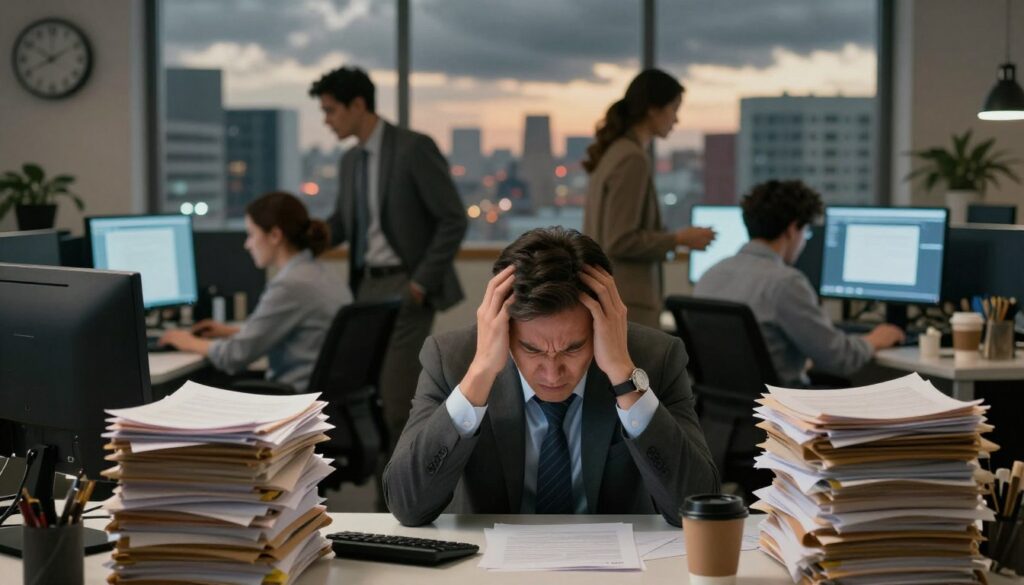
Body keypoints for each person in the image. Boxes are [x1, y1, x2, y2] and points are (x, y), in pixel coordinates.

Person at [383, 227, 718, 527]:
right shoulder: (451, 359)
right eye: (532, 350)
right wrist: (480, 373)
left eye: (573, 349)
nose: (552, 372)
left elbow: (695, 508)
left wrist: (624, 377)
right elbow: (407, 506)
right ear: (502, 327)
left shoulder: (655, 360)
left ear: (602, 328)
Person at [309, 66, 467, 441]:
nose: (326, 121)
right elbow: (346, 224)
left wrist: (420, 283)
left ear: (358, 104)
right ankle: (386, 493)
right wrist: (302, 237)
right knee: (368, 398)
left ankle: (408, 494)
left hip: (405, 284)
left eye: (331, 110)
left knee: (397, 401)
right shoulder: (350, 162)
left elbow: (453, 219)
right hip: (365, 288)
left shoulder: (413, 148)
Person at [693, 180, 905, 387]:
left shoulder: (710, 274)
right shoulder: (785, 283)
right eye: (806, 232)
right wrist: (875, 339)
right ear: (792, 229)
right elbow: (839, 359)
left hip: (720, 415)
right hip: (780, 413)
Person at [160, 191, 351, 392]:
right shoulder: (319, 272)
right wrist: (234, 332)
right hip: (325, 398)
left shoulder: (291, 284)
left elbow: (234, 356)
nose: (247, 244)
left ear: (275, 235)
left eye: (251, 234)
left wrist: (186, 341)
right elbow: (296, 332)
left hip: (295, 400)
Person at [583, 69, 716, 329]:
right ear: (653, 110)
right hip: (628, 302)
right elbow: (620, 240)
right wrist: (679, 239)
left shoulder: (614, 152)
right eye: (674, 108)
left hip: (610, 298)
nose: (677, 119)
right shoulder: (631, 158)